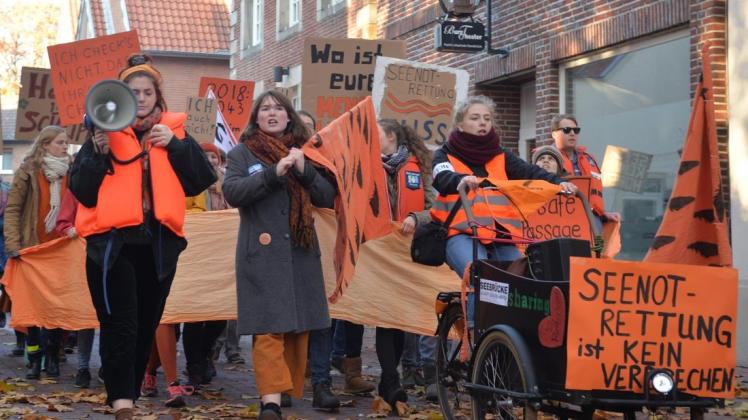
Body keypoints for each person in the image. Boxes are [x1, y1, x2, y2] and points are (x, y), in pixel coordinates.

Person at [68, 54, 215, 420]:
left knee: (146, 324)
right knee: (122, 323)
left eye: (148, 91)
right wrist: (99, 153)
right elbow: (82, 191)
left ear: (157, 96)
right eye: (134, 91)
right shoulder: (101, 136)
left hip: (159, 247)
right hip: (113, 247)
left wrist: (176, 147)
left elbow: (201, 180)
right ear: (122, 97)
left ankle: (126, 394)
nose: (142, 97)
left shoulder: (173, 133)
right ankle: (122, 400)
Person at [223, 91, 335, 420]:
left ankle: (283, 387)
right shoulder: (241, 153)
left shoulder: (309, 153)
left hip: (300, 252)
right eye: (265, 109)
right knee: (267, 328)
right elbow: (233, 193)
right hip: (261, 252)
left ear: (289, 116)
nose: (272, 113)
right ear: (256, 118)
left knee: (298, 329)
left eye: (278, 108)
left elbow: (327, 196)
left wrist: (304, 170)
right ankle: (269, 402)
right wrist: (272, 174)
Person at [431, 96, 577, 320]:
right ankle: (472, 345)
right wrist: (459, 180)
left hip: (499, 235)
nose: (483, 123)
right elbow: (441, 177)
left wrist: (559, 183)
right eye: (475, 118)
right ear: (460, 124)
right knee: (480, 279)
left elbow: (531, 172)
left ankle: (500, 341)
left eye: (487, 118)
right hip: (460, 233)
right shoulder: (444, 154)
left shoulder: (500, 155)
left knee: (519, 280)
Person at [374, 119, 435, 408]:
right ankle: (391, 378)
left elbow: (435, 207)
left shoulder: (419, 167)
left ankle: (388, 383)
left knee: (398, 320)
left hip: (410, 253)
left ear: (390, 136)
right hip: (377, 253)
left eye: (375, 132)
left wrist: (415, 217)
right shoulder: (368, 166)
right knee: (384, 317)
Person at [4, 125, 72, 380]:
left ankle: (53, 357)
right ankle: (34, 358)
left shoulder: (71, 173)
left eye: (66, 142)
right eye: (60, 142)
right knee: (32, 309)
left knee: (55, 307)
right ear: (45, 145)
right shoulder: (28, 171)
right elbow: (13, 210)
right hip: (32, 250)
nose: (65, 147)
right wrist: (14, 245)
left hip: (60, 250)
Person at [297, 110, 339, 410]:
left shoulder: (324, 164)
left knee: (321, 317)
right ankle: (284, 382)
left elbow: (327, 197)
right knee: (286, 318)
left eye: (308, 128)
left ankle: (322, 383)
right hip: (282, 249)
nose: (302, 132)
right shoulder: (270, 158)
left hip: (319, 250)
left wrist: (305, 169)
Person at [182, 142, 229, 389]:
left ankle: (205, 353)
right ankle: (194, 365)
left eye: (214, 156)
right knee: (194, 315)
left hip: (222, 258)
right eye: (206, 156)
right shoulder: (192, 184)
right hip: (197, 256)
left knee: (219, 314)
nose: (210, 160)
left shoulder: (228, 186)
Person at [54, 187, 97, 388]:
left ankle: (108, 367)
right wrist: (71, 230)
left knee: (113, 316)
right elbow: (63, 221)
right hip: (82, 257)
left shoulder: (120, 183)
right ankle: (83, 368)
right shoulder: (79, 187)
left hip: (114, 254)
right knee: (85, 315)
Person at [550, 114, 620, 231]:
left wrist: (602, 213)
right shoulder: (546, 158)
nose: (572, 133)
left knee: (597, 248)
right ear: (554, 134)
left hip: (592, 220)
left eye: (576, 130)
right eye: (567, 130)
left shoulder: (589, 159)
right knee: (568, 250)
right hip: (560, 222)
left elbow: (592, 194)